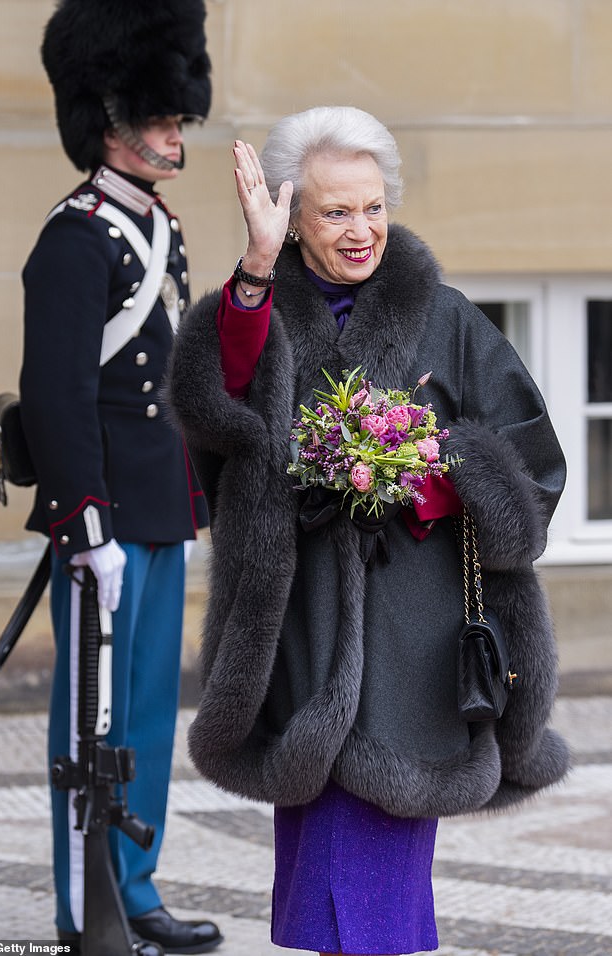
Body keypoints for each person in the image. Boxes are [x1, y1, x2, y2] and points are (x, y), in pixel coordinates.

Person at [168, 106, 570, 956]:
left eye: (373, 206)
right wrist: (252, 270)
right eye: (334, 212)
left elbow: (533, 464)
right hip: (299, 624)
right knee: (316, 867)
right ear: (291, 215)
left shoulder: (447, 317)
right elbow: (220, 406)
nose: (362, 230)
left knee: (383, 867)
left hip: (411, 635)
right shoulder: (264, 306)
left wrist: (424, 475)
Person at [19, 1, 222, 953]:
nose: (175, 133)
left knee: (141, 709)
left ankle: (135, 888)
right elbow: (56, 397)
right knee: (85, 724)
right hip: (102, 521)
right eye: (162, 118)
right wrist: (84, 523)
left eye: (179, 118)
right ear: (110, 116)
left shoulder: (159, 229)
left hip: (157, 507)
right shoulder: (74, 239)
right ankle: (82, 909)